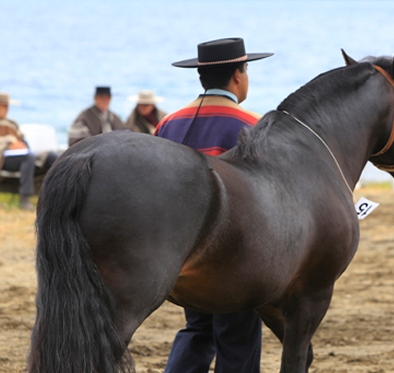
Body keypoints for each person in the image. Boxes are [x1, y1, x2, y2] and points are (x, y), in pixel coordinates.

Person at [154, 37, 273, 373]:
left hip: (182, 254)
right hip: (233, 257)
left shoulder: (168, 124)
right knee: (237, 335)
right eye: (246, 70)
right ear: (238, 75)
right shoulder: (253, 126)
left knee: (197, 328)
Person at [0, 91, 57, 210]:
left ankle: (54, 195)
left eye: (7, 106)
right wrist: (6, 146)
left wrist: (20, 145)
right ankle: (24, 199)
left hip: (19, 156)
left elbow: (23, 143)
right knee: (28, 158)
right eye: (4, 106)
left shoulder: (11, 124)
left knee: (52, 157)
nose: (6, 109)